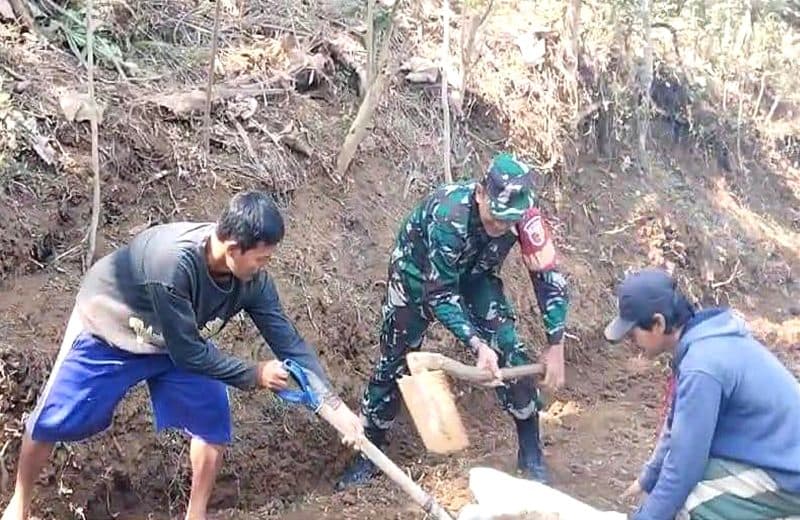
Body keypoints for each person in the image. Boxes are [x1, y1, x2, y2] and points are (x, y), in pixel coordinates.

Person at [1, 191, 363, 520]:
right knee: (53, 416)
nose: (264, 266)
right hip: (110, 326)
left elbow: (289, 343)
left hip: (177, 339)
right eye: (262, 258)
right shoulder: (173, 264)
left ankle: (196, 513)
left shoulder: (252, 282)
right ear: (234, 248)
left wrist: (333, 406)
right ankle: (20, 502)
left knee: (211, 419)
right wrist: (255, 374)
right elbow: (189, 354)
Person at [335, 152, 570, 490]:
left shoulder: (526, 216)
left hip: (477, 278)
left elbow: (547, 275)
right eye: (496, 218)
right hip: (418, 277)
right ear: (480, 193)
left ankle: (531, 454)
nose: (501, 227)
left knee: (510, 348)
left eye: (509, 221)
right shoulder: (450, 215)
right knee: (394, 361)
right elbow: (440, 293)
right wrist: (476, 344)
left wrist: (555, 343)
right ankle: (369, 453)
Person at [605, 268, 800, 520]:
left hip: (790, 477)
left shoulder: (702, 366)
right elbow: (678, 427)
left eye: (633, 333)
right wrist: (649, 477)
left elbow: (683, 468)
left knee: (691, 500)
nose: (631, 341)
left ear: (658, 324)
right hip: (781, 458)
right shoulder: (706, 340)